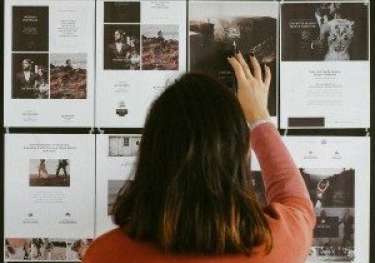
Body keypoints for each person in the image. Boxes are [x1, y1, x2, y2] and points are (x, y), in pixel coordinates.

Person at [83, 53, 315, 262]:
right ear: (236, 156)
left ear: (151, 155)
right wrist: (259, 119)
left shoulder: (104, 254)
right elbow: (296, 199)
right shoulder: (278, 244)